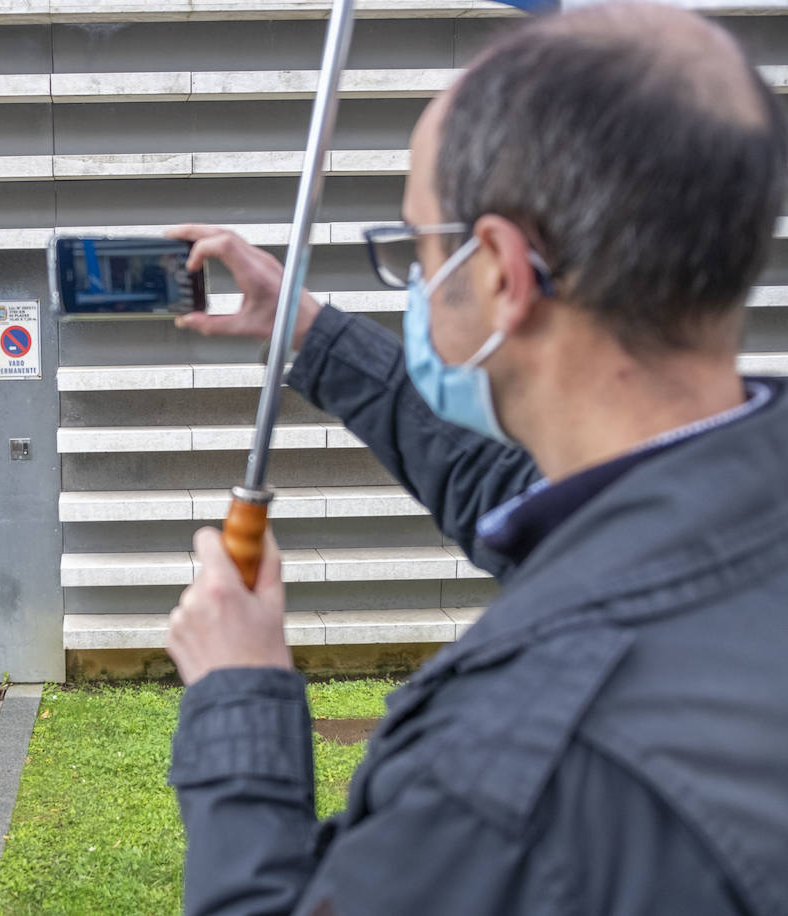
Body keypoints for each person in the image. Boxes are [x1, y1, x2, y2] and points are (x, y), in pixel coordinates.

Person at [163, 5, 788, 915]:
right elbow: (533, 507)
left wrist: (239, 695)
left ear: (499, 270)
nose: (417, 284)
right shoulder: (730, 512)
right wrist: (308, 333)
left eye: (418, 248)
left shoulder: (505, 777)